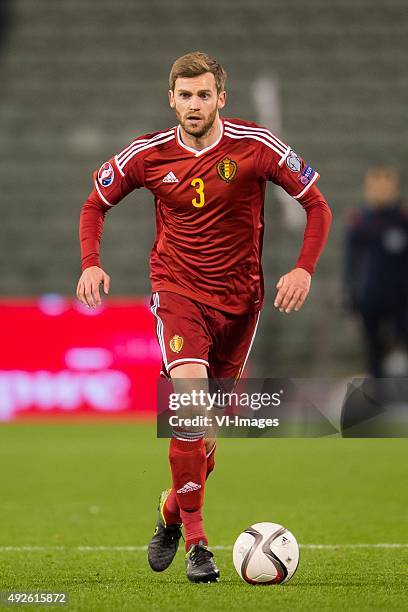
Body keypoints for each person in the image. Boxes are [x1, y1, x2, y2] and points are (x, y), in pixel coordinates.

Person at [76, 51, 332, 583]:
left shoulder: (256, 147)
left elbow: (318, 204)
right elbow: (94, 202)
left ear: (221, 98)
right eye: (185, 95)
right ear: (171, 99)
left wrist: (304, 269)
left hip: (241, 304)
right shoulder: (147, 155)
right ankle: (198, 544)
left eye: (204, 94)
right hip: (178, 293)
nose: (195, 104)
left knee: (207, 436)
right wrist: (91, 263)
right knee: (190, 408)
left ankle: (171, 512)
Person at [344, 166, 408, 377]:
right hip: (370, 298)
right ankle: (378, 393)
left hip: (401, 298)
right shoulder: (361, 222)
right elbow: (351, 264)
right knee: (373, 351)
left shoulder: (402, 219)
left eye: (386, 184)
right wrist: (352, 300)